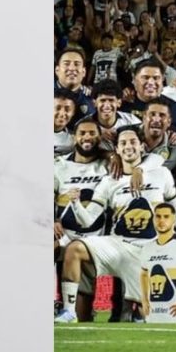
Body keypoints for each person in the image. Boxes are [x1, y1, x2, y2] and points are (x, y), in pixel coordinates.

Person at [56, 127, 176, 323]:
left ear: (142, 147)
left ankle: (154, 311)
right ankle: (69, 311)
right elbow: (87, 220)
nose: (128, 146)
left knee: (153, 316)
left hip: (150, 249)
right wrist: (75, 204)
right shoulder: (109, 181)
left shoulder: (161, 173)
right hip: (118, 245)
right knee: (74, 249)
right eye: (123, 143)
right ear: (116, 149)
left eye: (133, 142)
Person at [53, 117, 109, 321]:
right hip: (64, 237)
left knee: (82, 316)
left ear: (100, 137)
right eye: (82, 133)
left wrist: (113, 156)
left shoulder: (109, 166)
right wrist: (52, 219)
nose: (87, 137)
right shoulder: (58, 166)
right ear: (74, 137)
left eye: (92, 133)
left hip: (94, 241)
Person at [87, 79, 142, 150]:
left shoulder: (132, 121)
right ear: (94, 103)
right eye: (102, 100)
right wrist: (95, 134)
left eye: (111, 100)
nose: (107, 105)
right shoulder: (84, 125)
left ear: (119, 103)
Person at [55, 47, 93, 117]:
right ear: (57, 70)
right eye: (66, 64)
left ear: (84, 72)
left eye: (77, 64)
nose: (72, 68)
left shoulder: (92, 98)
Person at [54, 89, 79, 156]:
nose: (62, 113)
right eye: (57, 108)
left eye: (67, 109)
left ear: (73, 113)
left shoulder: (74, 140)